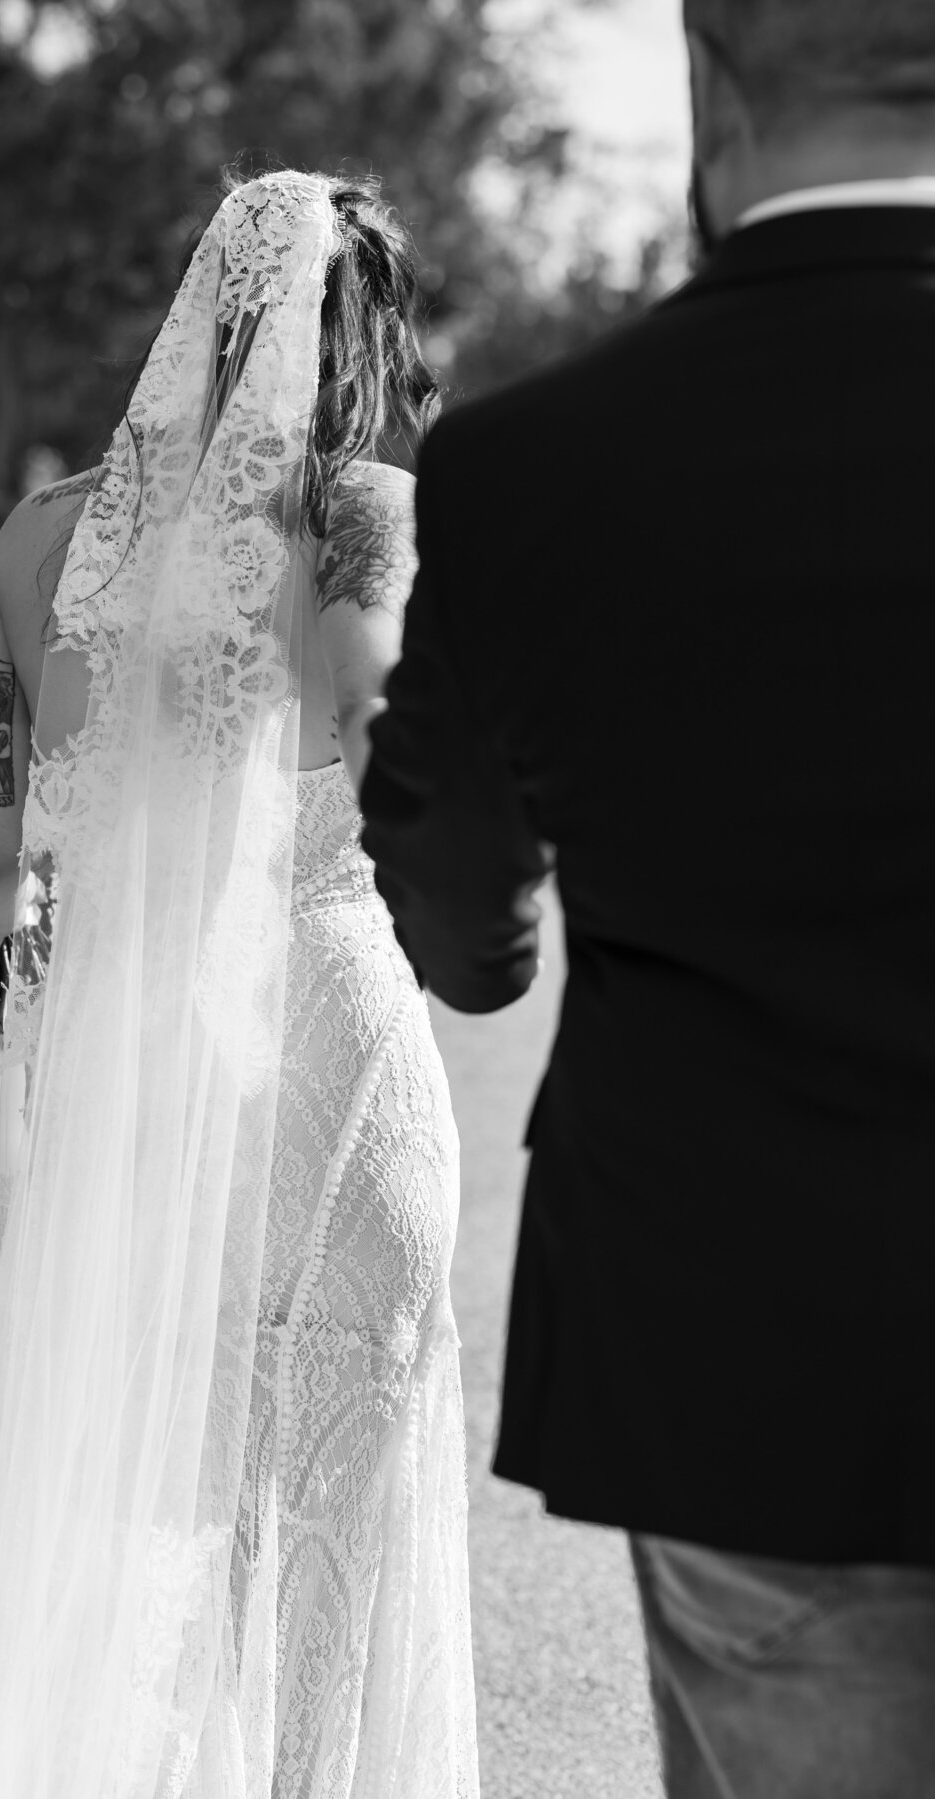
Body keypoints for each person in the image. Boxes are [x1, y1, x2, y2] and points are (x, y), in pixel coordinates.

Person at [357, 2, 935, 1793]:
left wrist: (511, 939)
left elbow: (456, 914)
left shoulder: (531, 463)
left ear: (711, 93)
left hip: (745, 1348)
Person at [0, 171, 478, 1798]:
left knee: (160, 1508)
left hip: (137, 1069)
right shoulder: (363, 516)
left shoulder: (34, 543)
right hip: (332, 1034)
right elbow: (395, 753)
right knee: (339, 1522)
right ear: (361, 336)